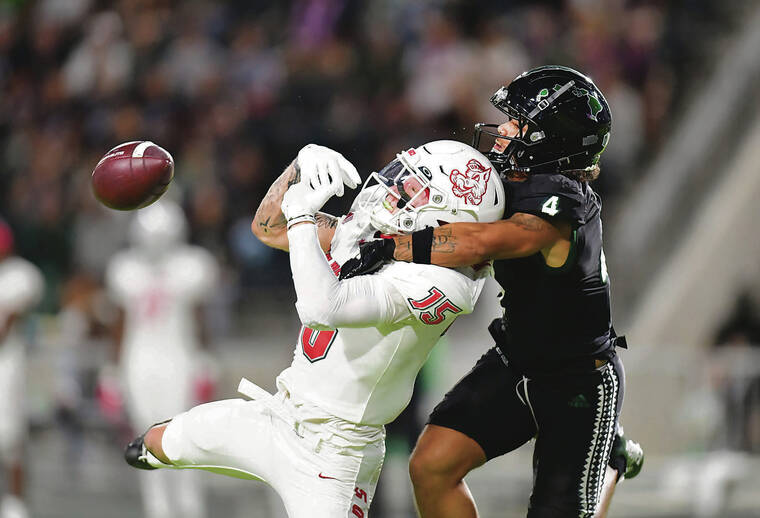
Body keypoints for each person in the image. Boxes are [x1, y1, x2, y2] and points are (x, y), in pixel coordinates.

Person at [123, 139, 505, 517]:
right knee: (149, 445)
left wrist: (303, 216)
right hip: (279, 414)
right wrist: (297, 168)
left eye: (411, 187)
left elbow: (322, 307)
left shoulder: (446, 285)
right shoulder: (378, 238)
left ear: (447, 215)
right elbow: (268, 228)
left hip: (336, 455)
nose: (392, 187)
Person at [340, 65, 642, 518]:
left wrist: (393, 244)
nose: (504, 129)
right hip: (517, 358)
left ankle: (610, 461)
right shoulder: (519, 181)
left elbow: (483, 241)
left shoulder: (562, 203)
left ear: (553, 139)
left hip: (578, 380)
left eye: (519, 123)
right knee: (432, 466)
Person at [106, 200, 218, 518]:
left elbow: (199, 318)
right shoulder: (125, 268)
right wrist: (112, 371)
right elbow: (120, 322)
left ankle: (190, 508)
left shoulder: (191, 266)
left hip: (178, 357)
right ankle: (158, 511)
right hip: (139, 360)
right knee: (146, 439)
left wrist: (205, 359)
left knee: (183, 437)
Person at [0, 219, 44, 518]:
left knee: (9, 437)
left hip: (6, 364)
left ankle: (15, 505)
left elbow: (4, 331)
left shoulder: (18, 276)